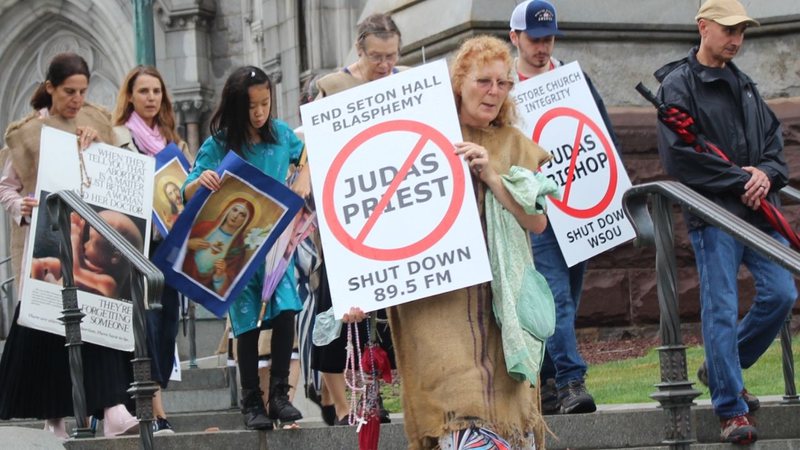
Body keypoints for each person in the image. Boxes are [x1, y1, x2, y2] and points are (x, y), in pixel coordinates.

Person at [384, 35, 551, 449]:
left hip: (501, 305)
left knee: (508, 408)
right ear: (459, 81)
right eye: (484, 81)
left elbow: (538, 222)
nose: (494, 92)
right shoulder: (421, 134)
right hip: (438, 304)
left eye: (504, 83)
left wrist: (493, 177)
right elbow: (379, 214)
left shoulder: (514, 143)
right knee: (456, 407)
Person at [654, 0, 797, 444]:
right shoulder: (678, 85)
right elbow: (680, 157)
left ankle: (721, 367)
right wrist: (742, 178)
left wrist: (765, 175)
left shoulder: (747, 85)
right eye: (728, 29)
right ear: (703, 27)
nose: (736, 38)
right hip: (714, 216)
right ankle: (731, 408)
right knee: (720, 308)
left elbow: (775, 149)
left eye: (742, 31)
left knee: (782, 293)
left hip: (757, 212)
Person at [0, 52, 139, 438]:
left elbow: (109, 175)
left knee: (100, 317)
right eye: (69, 91)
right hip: (46, 246)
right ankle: (54, 418)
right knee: (46, 330)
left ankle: (113, 408)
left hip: (89, 240)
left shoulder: (94, 122)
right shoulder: (28, 134)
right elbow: (7, 187)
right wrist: (22, 206)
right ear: (50, 89)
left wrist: (95, 146)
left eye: (82, 91)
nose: (77, 100)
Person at [508, 0, 621, 415]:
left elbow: (603, 135)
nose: (542, 47)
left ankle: (549, 383)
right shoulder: (504, 87)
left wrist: (614, 193)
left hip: (579, 206)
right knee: (556, 298)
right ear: (514, 37)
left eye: (549, 38)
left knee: (568, 295)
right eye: (535, 39)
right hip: (538, 212)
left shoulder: (573, 79)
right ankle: (573, 380)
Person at [183, 65, 311, 430]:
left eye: (265, 104)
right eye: (252, 107)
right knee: (246, 326)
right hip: (235, 251)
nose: (259, 113)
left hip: (273, 242)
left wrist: (302, 178)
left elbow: (307, 157)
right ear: (238, 107)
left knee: (286, 311)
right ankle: (251, 399)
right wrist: (202, 181)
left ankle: (280, 396)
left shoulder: (281, 134)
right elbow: (187, 188)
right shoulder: (219, 144)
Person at [310, 12, 401, 426]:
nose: (385, 66)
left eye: (392, 56)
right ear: (359, 50)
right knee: (352, 308)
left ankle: (378, 391)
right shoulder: (331, 88)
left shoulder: (405, 82)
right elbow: (315, 152)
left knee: (389, 311)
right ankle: (357, 397)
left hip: (397, 211)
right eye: (377, 57)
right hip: (347, 219)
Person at [112, 65, 195, 434]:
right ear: (130, 96)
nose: (150, 98)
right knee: (145, 325)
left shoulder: (174, 142)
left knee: (167, 327)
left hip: (171, 246)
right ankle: (155, 410)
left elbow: (186, 191)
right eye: (143, 91)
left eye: (156, 92)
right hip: (137, 245)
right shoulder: (118, 137)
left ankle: (150, 403)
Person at [30, 210, 144, 299]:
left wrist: (74, 238)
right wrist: (78, 234)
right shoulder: (94, 270)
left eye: (91, 241)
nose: (85, 244)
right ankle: (44, 282)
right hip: (58, 291)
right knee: (55, 263)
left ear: (114, 257)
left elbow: (76, 272)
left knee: (37, 265)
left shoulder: (109, 284)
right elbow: (80, 265)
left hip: (65, 307)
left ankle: (38, 283)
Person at [182, 198, 255, 295]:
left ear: (245, 221)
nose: (236, 216)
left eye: (242, 215)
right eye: (234, 210)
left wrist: (220, 275)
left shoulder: (238, 248)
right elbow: (174, 249)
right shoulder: (204, 227)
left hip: (203, 289)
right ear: (228, 210)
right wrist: (188, 244)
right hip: (182, 275)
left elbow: (229, 285)